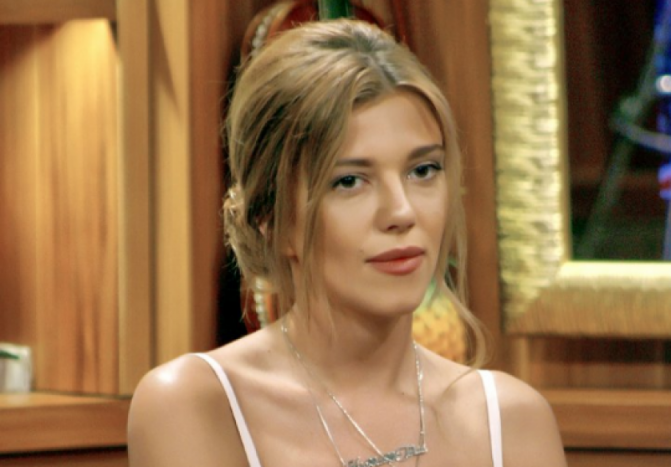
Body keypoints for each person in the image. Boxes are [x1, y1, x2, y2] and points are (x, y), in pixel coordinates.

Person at [127, 19, 567, 467]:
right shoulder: (193, 406)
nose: (402, 212)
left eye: (423, 171)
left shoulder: (511, 422)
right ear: (271, 218)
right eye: (350, 181)